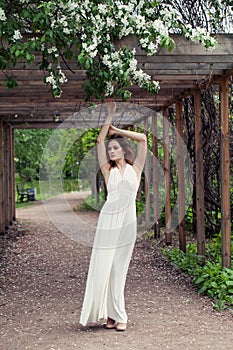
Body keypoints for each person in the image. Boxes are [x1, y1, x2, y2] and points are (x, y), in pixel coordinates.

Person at [79, 100, 147, 331]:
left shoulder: (135, 168)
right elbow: (99, 141)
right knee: (104, 267)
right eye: (110, 149)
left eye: (115, 147)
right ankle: (109, 316)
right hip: (108, 221)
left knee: (119, 267)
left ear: (124, 149)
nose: (111, 150)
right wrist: (110, 116)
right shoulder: (108, 171)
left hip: (127, 222)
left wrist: (117, 131)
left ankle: (120, 315)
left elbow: (143, 140)